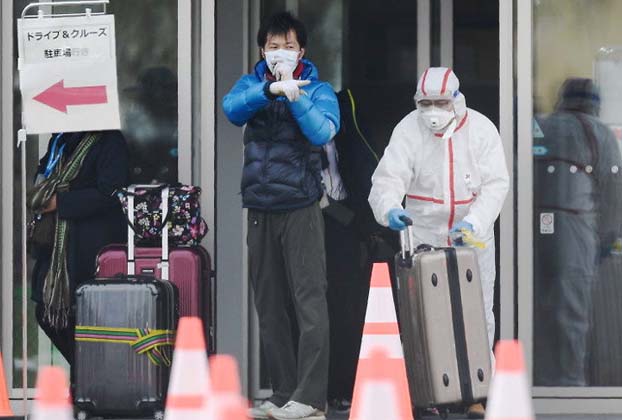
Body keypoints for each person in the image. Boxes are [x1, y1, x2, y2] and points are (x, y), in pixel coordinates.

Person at [368, 67, 509, 418]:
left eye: (441, 103)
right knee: (425, 316)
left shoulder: (481, 130)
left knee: (477, 313)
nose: (433, 111)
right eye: (425, 103)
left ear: (457, 101)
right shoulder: (408, 130)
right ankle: (427, 393)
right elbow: (387, 180)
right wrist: (390, 209)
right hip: (423, 234)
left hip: (471, 236)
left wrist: (474, 222)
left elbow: (496, 184)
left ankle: (477, 392)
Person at [222, 11, 339, 420]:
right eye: (273, 46)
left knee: (309, 302)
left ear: (302, 51)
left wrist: (296, 98)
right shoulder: (251, 85)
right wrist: (269, 91)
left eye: (289, 46)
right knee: (269, 305)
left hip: (301, 207)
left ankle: (311, 398)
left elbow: (323, 131)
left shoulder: (319, 89)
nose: (281, 53)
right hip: (259, 207)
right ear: (262, 51)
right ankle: (283, 391)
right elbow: (231, 109)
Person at [533, 78, 622, 386]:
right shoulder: (598, 132)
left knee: (539, 307)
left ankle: (542, 379)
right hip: (575, 225)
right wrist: (607, 238)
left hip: (536, 223)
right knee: (572, 308)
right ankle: (569, 382)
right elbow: (613, 192)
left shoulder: (543, 125)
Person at [28, 130, 129, 365]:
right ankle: (85, 373)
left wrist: (61, 201)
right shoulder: (61, 139)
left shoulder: (109, 141)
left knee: (87, 318)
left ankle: (88, 376)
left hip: (90, 246)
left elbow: (112, 192)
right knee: (47, 313)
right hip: (58, 246)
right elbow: (44, 171)